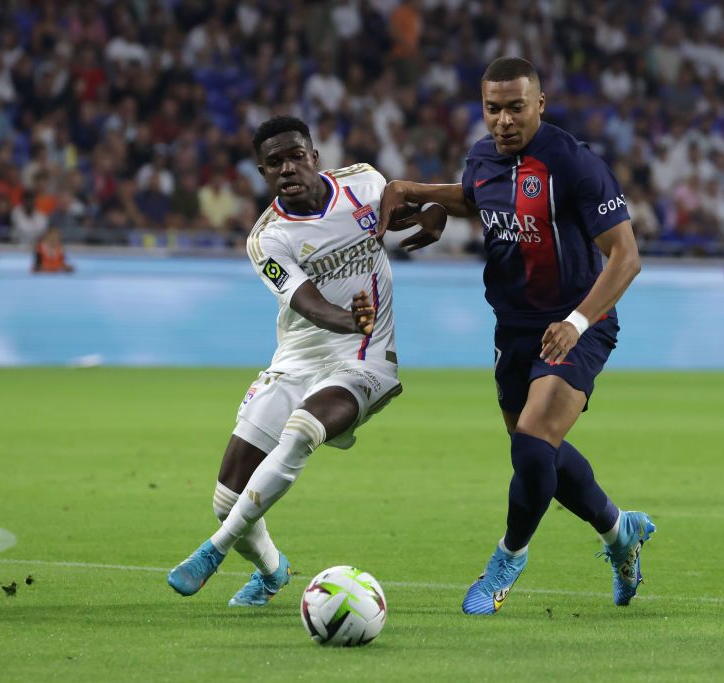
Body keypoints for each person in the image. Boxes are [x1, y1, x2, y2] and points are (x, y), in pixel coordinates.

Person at [377, 57, 655, 614]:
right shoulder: (483, 158)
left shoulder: (575, 165)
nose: (503, 120)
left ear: (540, 105)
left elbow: (626, 257)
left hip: (578, 323)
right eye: (493, 108)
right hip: (514, 328)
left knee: (532, 440)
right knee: (535, 454)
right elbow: (475, 196)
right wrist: (423, 198)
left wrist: (577, 324)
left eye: (515, 108)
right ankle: (618, 531)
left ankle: (508, 559)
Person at [166, 116, 406, 606]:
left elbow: (403, 203)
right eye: (275, 162)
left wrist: (432, 214)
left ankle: (214, 552)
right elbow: (308, 304)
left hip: (366, 357)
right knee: (226, 499)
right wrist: (346, 318)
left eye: (296, 155)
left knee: (302, 430)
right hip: (299, 358)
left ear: (315, 156)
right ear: (262, 173)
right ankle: (273, 572)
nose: (288, 167)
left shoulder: (364, 182)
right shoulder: (268, 238)